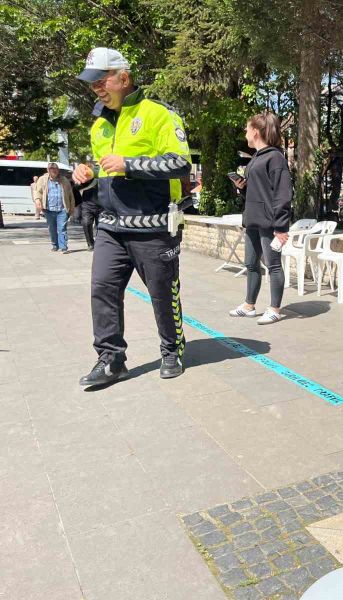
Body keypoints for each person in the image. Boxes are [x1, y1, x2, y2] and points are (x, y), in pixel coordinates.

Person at [72, 47, 192, 386]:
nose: (96, 88)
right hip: (111, 226)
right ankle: (111, 359)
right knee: (102, 290)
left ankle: (172, 349)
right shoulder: (99, 126)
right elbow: (105, 175)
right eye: (91, 83)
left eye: (101, 80)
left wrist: (131, 165)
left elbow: (181, 164)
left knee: (162, 293)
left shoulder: (159, 115)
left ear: (123, 78)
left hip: (153, 227)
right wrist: (87, 176)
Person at [228, 111, 291, 324]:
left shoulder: (275, 158)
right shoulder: (256, 157)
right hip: (253, 219)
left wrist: (281, 227)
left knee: (273, 265)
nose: (245, 132)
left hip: (269, 222)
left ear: (255, 131)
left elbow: (282, 194)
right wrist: (243, 188)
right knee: (250, 263)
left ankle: (274, 308)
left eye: (247, 129)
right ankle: (249, 305)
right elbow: (259, 191)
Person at [32, 163, 75, 253]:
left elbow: (70, 194)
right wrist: (37, 200)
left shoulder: (64, 180)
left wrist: (71, 208)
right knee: (52, 229)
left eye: (55, 169)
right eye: (51, 169)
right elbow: (37, 191)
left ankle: (63, 247)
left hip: (62, 209)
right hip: (48, 209)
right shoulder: (42, 179)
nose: (54, 170)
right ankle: (55, 245)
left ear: (58, 170)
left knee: (62, 228)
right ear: (48, 170)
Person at [76, 162, 101, 250]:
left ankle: (99, 243)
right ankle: (90, 243)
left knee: (100, 226)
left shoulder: (99, 177)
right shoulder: (83, 179)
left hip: (101, 206)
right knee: (86, 223)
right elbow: (76, 188)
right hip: (87, 205)